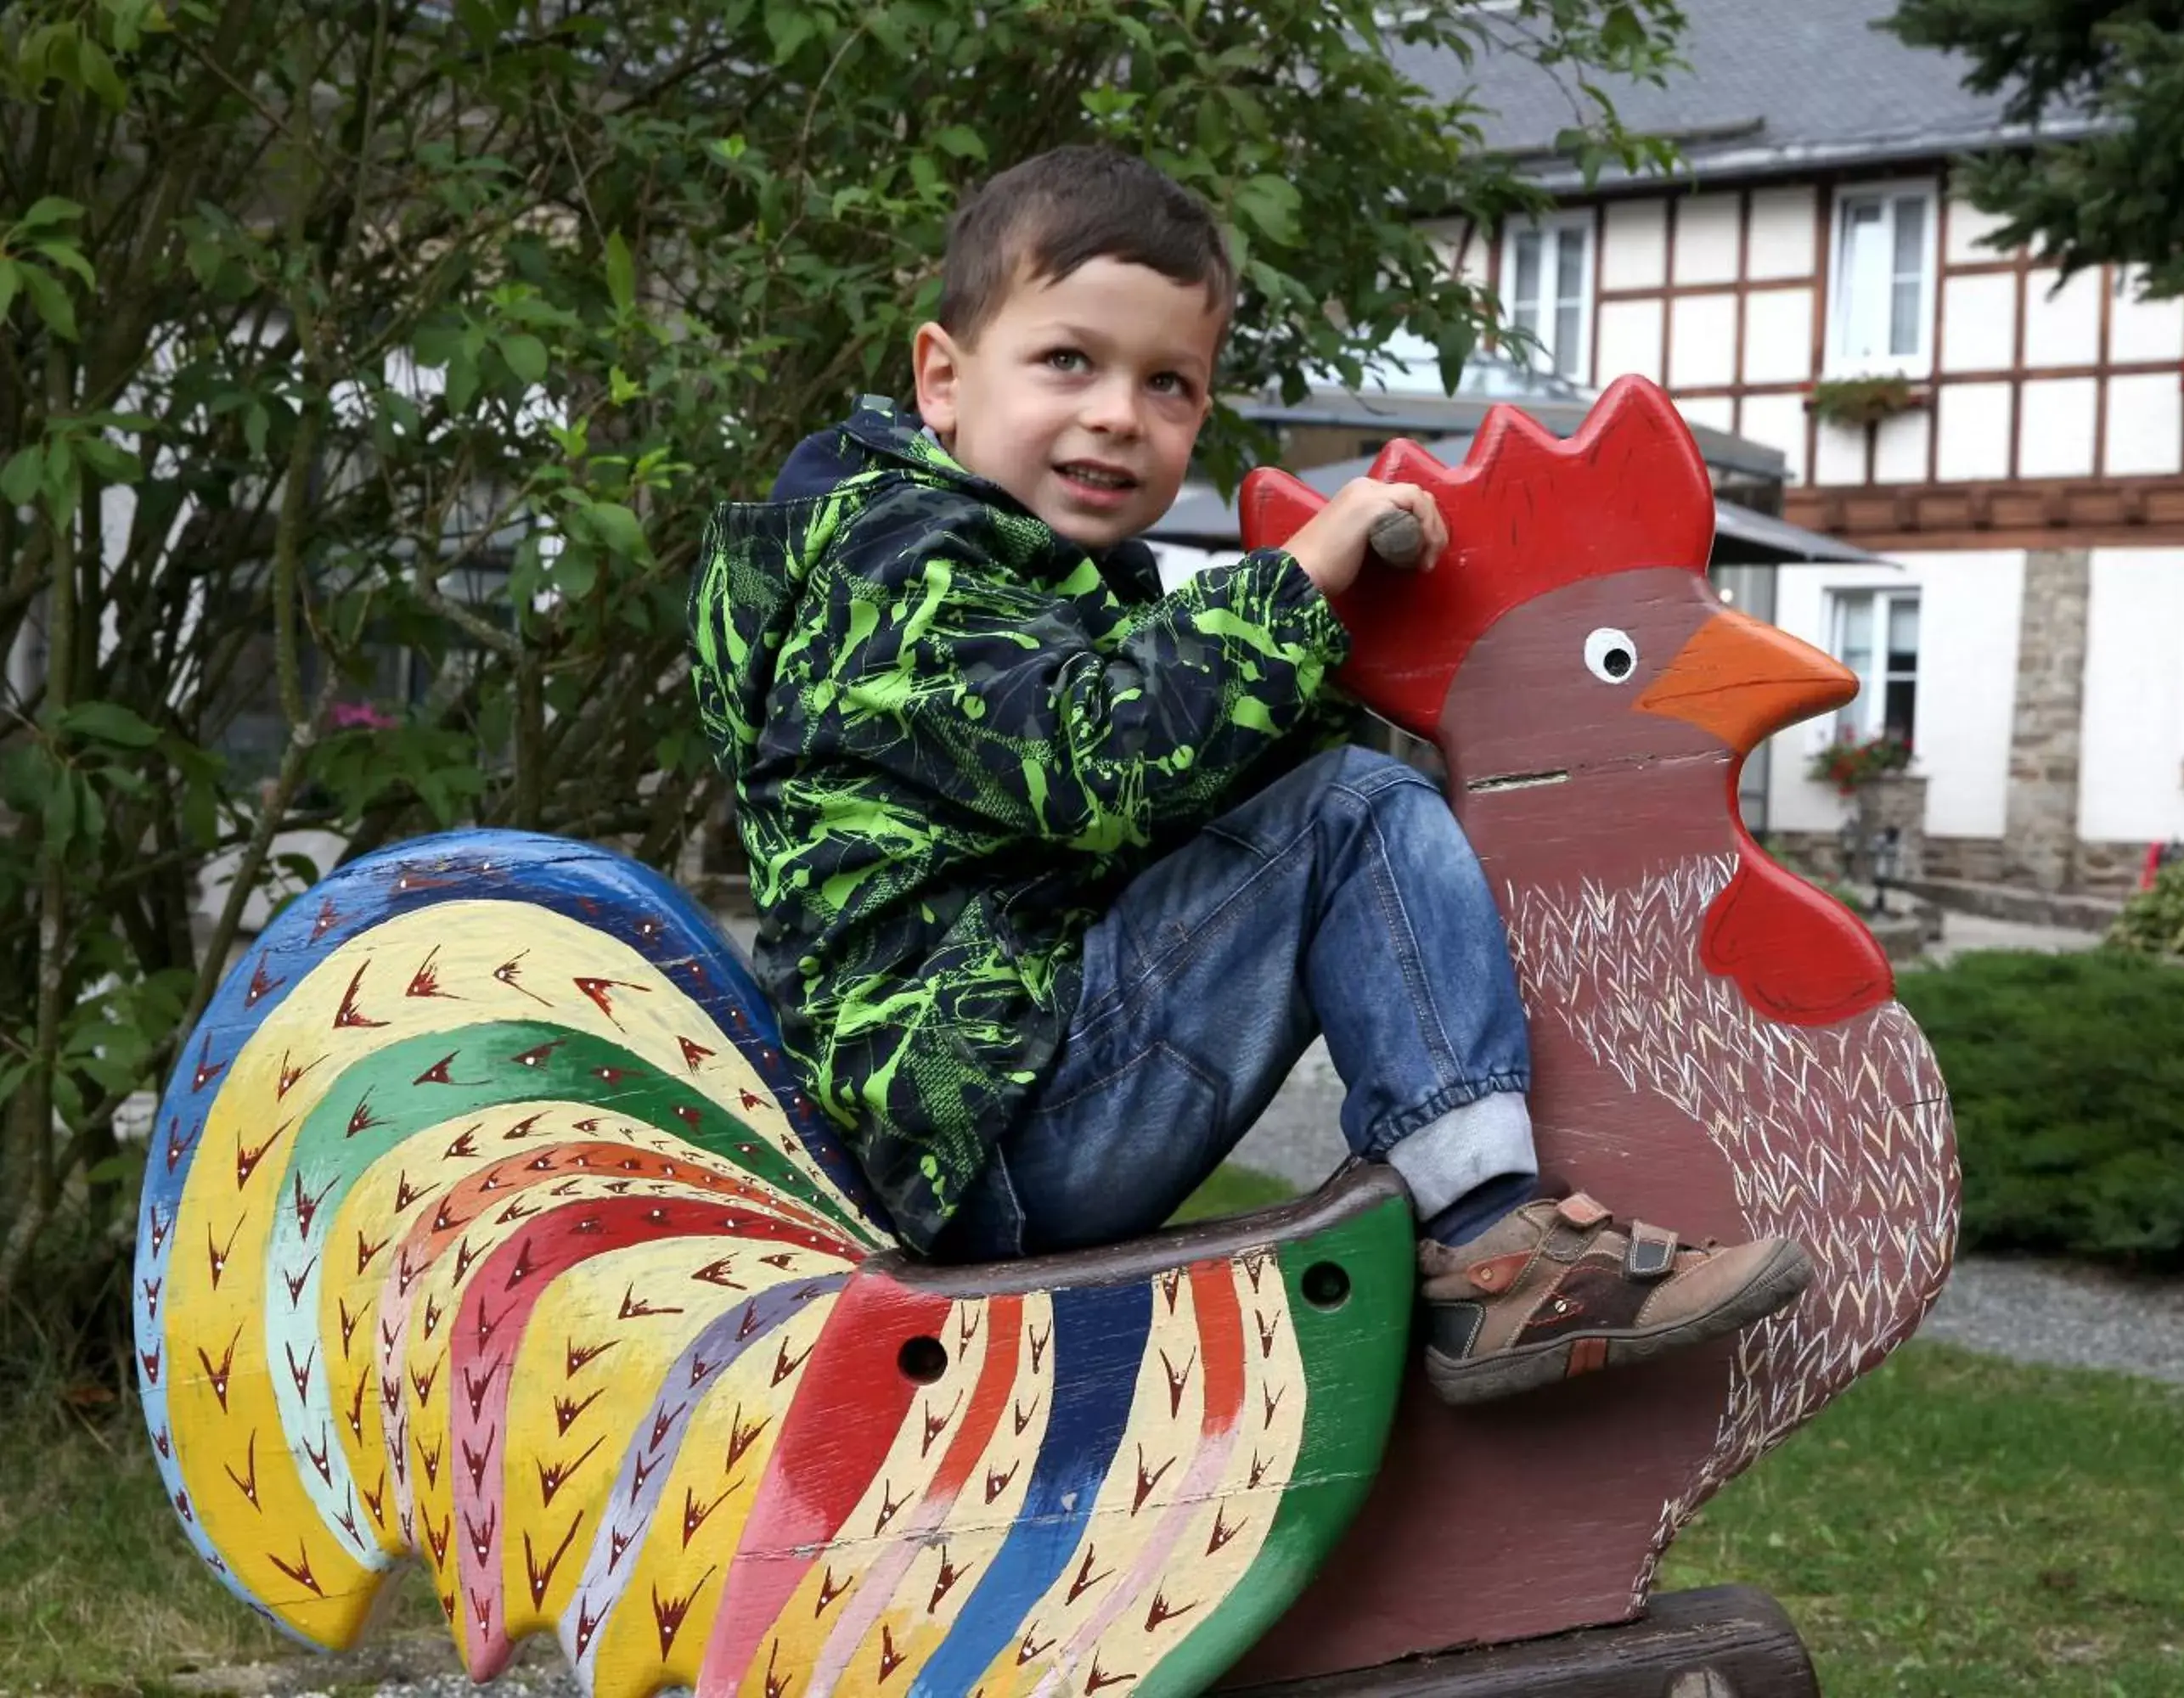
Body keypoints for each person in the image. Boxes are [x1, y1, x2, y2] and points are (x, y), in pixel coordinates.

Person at [688, 146, 1810, 1403]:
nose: (1119, 411)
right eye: (1069, 360)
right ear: (942, 379)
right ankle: (1493, 1248)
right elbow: (1097, 765)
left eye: (1168, 384)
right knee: (1354, 812)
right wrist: (1292, 593)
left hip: (998, 1108)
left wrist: (1310, 660)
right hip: (994, 1125)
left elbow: (1176, 796)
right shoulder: (897, 577)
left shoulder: (1014, 576)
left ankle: (1491, 1239)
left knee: (1328, 799)